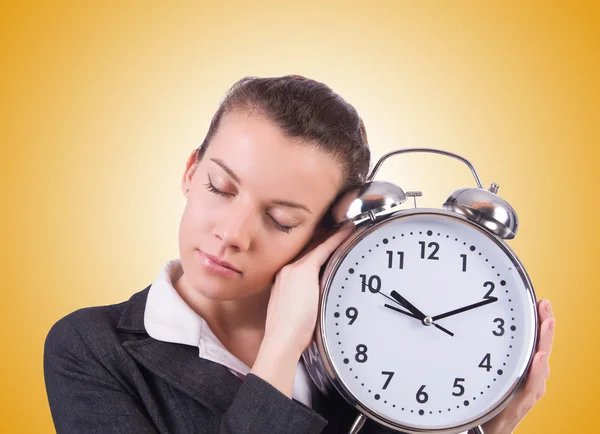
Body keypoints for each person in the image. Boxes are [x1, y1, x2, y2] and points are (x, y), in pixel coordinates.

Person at [43, 75, 555, 434]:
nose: (232, 234)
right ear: (190, 172)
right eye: (221, 187)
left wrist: (483, 431)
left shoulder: (370, 360)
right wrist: (278, 352)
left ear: (321, 235)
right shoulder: (91, 348)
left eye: (281, 219)